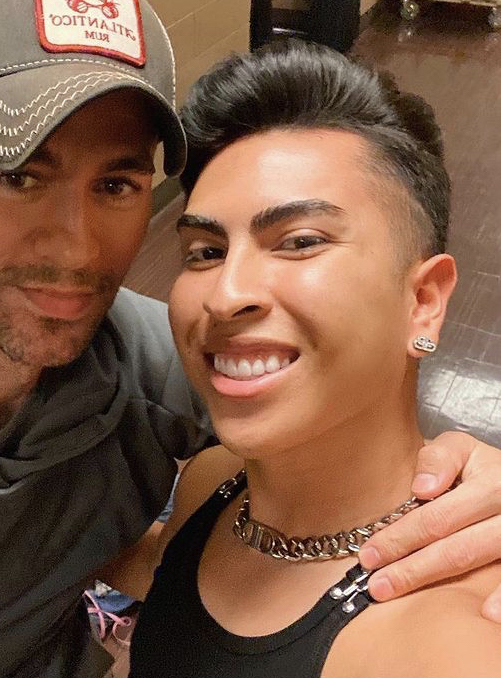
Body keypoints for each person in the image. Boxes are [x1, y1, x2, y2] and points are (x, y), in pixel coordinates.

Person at [0, 0, 499, 677]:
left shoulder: (164, 367)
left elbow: (344, 419)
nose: (78, 248)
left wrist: (470, 478)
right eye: (19, 175)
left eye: (115, 184)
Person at [127, 40, 501, 677]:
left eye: (299, 242)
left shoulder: (449, 643)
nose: (225, 295)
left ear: (423, 301)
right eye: (205, 252)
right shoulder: (211, 485)